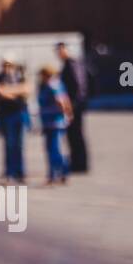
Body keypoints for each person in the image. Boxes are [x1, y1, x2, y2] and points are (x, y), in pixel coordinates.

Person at [0, 56, 29, 183]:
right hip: (6, 115)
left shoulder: (20, 77)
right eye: (5, 65)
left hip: (20, 114)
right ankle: (10, 172)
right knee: (9, 144)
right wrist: (16, 92)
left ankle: (20, 172)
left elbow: (26, 91)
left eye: (10, 65)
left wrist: (9, 92)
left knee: (20, 145)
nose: (7, 68)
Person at [56, 42, 91, 173]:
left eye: (61, 50)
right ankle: (77, 162)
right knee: (73, 135)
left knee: (76, 135)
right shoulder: (71, 64)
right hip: (75, 105)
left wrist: (71, 107)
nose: (59, 54)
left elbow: (78, 87)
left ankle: (80, 164)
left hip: (74, 107)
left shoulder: (71, 64)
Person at [36, 66, 71, 185]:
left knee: (54, 150)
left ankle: (61, 172)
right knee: (52, 149)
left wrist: (65, 113)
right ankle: (54, 174)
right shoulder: (54, 84)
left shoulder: (52, 85)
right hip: (49, 122)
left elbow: (61, 101)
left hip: (54, 123)